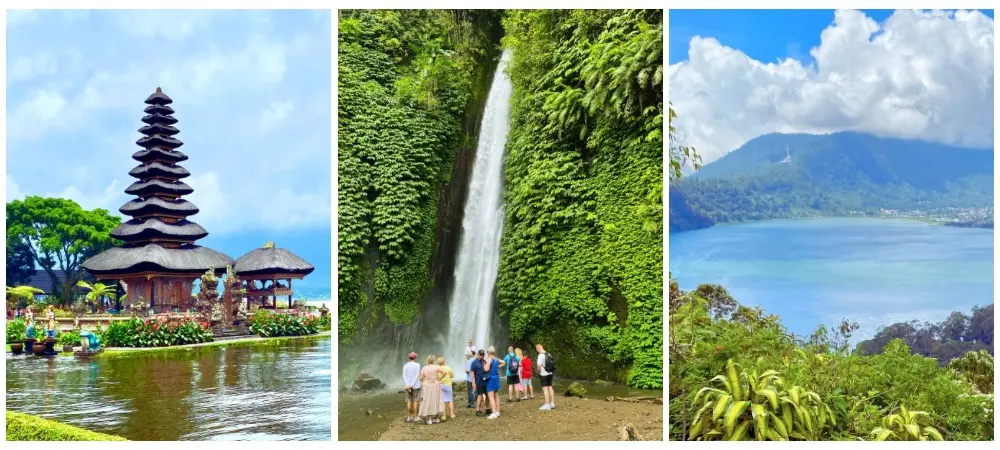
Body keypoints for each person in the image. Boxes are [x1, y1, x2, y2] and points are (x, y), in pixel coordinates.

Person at [418, 355, 443, 424]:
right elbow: (445, 372)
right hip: (436, 385)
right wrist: (439, 379)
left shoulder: (424, 368)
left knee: (428, 401)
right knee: (436, 400)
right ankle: (437, 418)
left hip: (427, 387)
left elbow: (421, 378)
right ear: (433, 361)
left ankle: (429, 419)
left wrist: (422, 380)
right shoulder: (436, 367)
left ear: (427, 360)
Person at [402, 352, 422, 423]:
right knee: (416, 401)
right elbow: (417, 376)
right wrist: (412, 385)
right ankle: (416, 417)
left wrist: (408, 385)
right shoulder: (417, 365)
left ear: (409, 357)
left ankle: (408, 417)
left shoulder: (405, 365)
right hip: (416, 386)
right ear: (415, 357)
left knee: (409, 401)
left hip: (407, 386)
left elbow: (404, 376)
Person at [536, 343, 556, 410]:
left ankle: (547, 404)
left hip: (544, 374)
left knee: (545, 389)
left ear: (538, 349)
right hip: (550, 373)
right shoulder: (549, 354)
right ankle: (552, 403)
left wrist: (538, 371)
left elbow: (539, 366)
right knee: (550, 387)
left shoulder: (540, 355)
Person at [484, 346, 502, 419]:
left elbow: (486, 369)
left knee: (491, 396)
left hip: (491, 378)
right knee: (496, 395)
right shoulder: (496, 359)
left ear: (488, 352)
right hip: (496, 378)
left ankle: (494, 412)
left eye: (487, 352)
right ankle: (497, 411)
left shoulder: (489, 359)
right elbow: (503, 362)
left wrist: (484, 365)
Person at [470, 349, 489, 416]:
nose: (482, 356)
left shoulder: (484, 361)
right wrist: (473, 383)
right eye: (481, 354)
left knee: (487, 395)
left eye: (483, 355)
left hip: (486, 381)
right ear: (478, 354)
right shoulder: (474, 362)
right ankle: (478, 410)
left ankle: (487, 408)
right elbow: (472, 373)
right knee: (480, 396)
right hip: (479, 381)